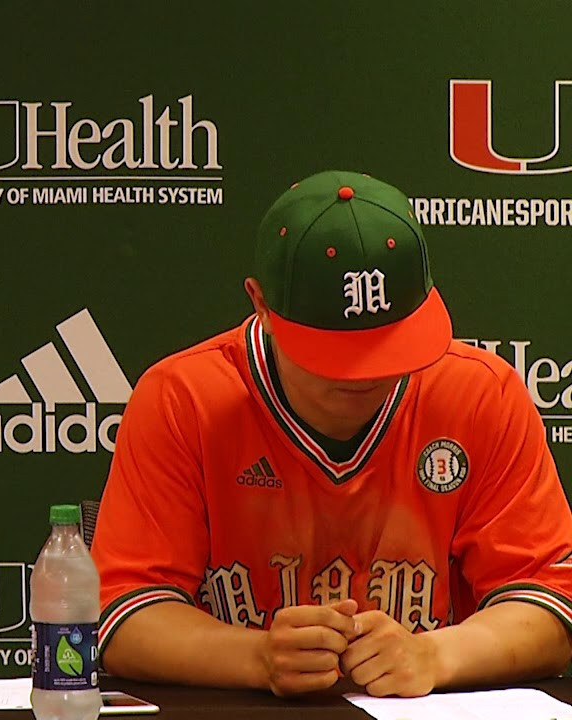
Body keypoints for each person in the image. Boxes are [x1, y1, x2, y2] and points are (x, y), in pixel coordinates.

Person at [93, 170, 572, 698]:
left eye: (387, 344)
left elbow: (552, 606)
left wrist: (435, 655)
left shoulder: (482, 393)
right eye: (334, 352)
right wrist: (253, 656)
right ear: (261, 305)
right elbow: (122, 617)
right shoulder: (183, 397)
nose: (364, 374)